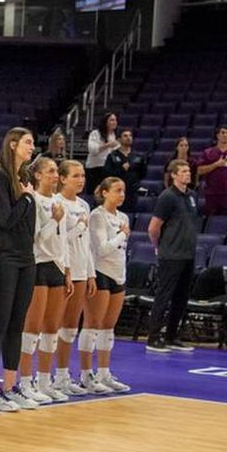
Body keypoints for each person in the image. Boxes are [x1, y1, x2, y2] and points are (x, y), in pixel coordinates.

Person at [0, 127, 37, 412]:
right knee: (0, 322)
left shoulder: (23, 177)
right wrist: (27, 199)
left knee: (18, 324)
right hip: (4, 257)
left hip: (26, 258)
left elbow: (28, 225)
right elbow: (4, 219)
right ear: (12, 144)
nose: (32, 147)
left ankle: (10, 386)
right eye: (28, 142)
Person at [16, 156, 70, 408]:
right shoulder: (33, 201)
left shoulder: (59, 202)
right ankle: (25, 381)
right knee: (33, 326)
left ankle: (45, 381)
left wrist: (67, 269)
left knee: (52, 327)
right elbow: (36, 239)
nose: (55, 175)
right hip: (37, 265)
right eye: (49, 171)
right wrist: (54, 220)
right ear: (37, 175)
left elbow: (63, 242)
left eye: (56, 171)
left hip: (57, 267)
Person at [146, 160, 198, 354]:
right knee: (164, 295)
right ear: (174, 175)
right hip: (171, 254)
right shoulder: (167, 197)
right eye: (183, 171)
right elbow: (153, 228)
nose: (188, 174)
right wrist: (158, 247)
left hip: (188, 254)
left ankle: (172, 336)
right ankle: (153, 337)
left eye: (189, 171)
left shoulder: (192, 196)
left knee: (181, 298)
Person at [86, 177, 132, 393]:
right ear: (104, 193)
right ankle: (87, 374)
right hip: (100, 272)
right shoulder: (97, 216)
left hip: (118, 274)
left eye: (123, 191)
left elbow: (120, 251)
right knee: (93, 323)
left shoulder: (123, 217)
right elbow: (102, 248)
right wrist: (122, 234)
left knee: (108, 326)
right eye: (117, 190)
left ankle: (104, 373)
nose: (121, 194)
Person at [54, 161, 96, 397]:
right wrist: (79, 227)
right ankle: (50, 376)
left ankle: (63, 375)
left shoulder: (83, 205)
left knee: (71, 327)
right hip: (63, 269)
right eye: (75, 176)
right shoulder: (58, 203)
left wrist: (91, 273)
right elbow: (61, 241)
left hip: (81, 270)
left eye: (82, 175)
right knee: (54, 326)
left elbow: (86, 243)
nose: (81, 180)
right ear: (63, 178)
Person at [197, 126, 227, 217]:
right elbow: (199, 170)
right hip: (212, 195)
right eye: (222, 132)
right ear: (217, 135)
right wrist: (216, 165)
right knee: (210, 222)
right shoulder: (208, 152)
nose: (225, 135)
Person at [104, 129, 147, 213]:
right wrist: (121, 169)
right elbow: (107, 173)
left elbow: (143, 173)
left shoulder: (138, 156)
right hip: (116, 190)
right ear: (119, 139)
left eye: (130, 136)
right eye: (125, 136)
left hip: (132, 191)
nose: (128, 138)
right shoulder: (112, 156)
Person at [85, 112, 120, 190]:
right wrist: (107, 145)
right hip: (95, 168)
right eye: (112, 120)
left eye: (115, 120)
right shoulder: (95, 133)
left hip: (109, 169)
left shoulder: (116, 135)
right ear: (105, 122)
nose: (114, 122)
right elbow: (92, 150)